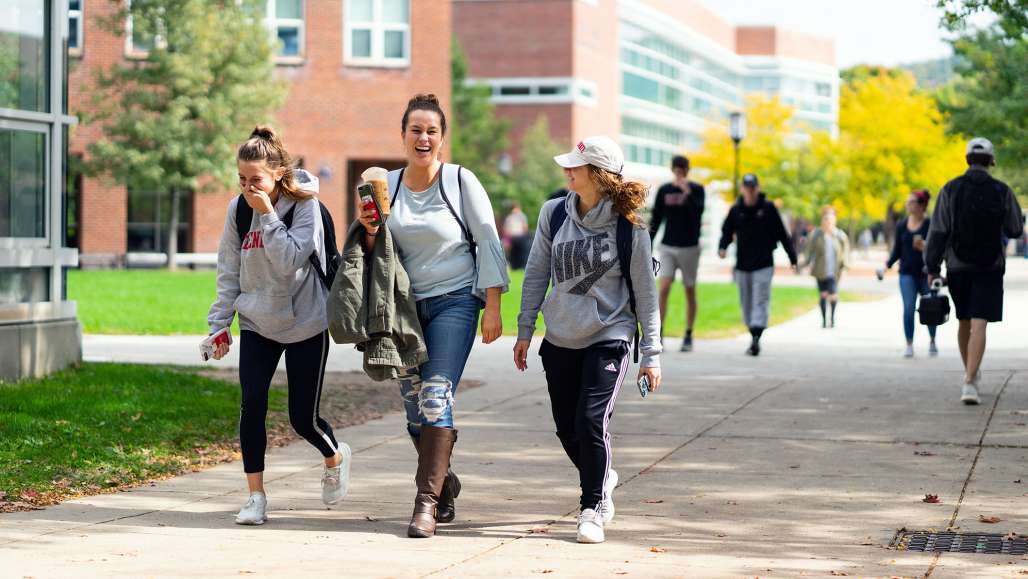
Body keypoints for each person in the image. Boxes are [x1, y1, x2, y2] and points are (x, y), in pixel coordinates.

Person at [356, 94, 509, 538]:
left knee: (435, 397)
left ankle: (424, 504)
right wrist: (368, 229)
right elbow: (372, 250)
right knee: (412, 408)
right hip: (402, 309)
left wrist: (493, 306)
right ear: (402, 135)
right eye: (415, 130)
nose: (423, 138)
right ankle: (444, 484)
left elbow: (487, 240)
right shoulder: (388, 184)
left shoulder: (461, 181)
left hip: (454, 301)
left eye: (432, 131)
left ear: (442, 138)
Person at [514, 136, 661, 545]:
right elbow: (537, 273)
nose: (568, 171)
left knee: (590, 421)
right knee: (567, 429)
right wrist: (525, 329)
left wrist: (652, 354)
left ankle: (591, 508)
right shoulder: (554, 214)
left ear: (596, 175)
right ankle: (604, 475)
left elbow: (646, 294)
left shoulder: (629, 227)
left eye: (576, 166)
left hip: (609, 336)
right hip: (560, 335)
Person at [208, 126, 350, 526]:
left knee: (302, 419)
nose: (248, 187)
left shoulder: (305, 207)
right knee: (251, 404)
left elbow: (289, 259)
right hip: (257, 321)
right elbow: (228, 271)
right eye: (242, 179)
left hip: (306, 321)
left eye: (256, 179)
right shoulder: (237, 210)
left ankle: (335, 457)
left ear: (278, 174)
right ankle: (255, 497)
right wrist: (219, 325)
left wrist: (268, 215)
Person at [925, 138, 1023, 405]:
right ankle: (970, 381)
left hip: (958, 266)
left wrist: (932, 267)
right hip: (990, 268)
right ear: (991, 160)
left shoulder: (950, 189)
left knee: (964, 321)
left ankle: (970, 373)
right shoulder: (1002, 191)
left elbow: (938, 231)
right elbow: (1015, 229)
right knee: (980, 323)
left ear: (967, 159)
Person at [718, 173, 798, 356]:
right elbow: (727, 231)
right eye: (747, 187)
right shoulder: (736, 209)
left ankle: (756, 337)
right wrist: (722, 247)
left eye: (753, 186)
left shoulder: (768, 209)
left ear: (758, 188)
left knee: (760, 300)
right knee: (746, 304)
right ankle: (753, 332)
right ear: (742, 189)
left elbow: (782, 234)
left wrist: (792, 257)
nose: (750, 190)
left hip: (764, 264)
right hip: (743, 265)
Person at [649, 155, 705, 352]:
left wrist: (687, 192)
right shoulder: (665, 190)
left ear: (687, 170)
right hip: (668, 247)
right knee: (663, 287)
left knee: (689, 290)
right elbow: (656, 218)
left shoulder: (697, 190)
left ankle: (688, 334)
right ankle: (660, 332)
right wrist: (648, 243)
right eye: (676, 168)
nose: (679, 172)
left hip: (690, 247)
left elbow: (698, 213)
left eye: (682, 169)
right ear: (673, 169)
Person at [883, 190, 938, 358]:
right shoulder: (901, 225)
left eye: (911, 201)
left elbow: (938, 247)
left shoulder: (931, 224)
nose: (908, 205)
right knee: (908, 308)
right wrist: (886, 266)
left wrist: (926, 246)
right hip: (906, 273)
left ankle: (932, 340)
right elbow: (897, 250)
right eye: (907, 202)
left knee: (930, 307)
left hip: (927, 272)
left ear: (921, 205)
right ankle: (909, 343)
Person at [799, 206, 849, 329]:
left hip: (834, 270)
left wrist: (845, 267)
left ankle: (831, 319)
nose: (828, 222)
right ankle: (824, 320)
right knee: (823, 294)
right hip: (820, 269)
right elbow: (809, 252)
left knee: (833, 295)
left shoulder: (840, 236)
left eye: (830, 220)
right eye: (826, 219)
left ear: (834, 221)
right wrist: (802, 264)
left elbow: (845, 253)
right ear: (822, 221)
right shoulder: (816, 235)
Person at [503, 203, 531, 269]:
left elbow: (525, 227)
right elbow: (506, 229)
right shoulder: (510, 217)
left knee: (521, 253)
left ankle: (521, 266)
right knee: (513, 253)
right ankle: (514, 266)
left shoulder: (521, 216)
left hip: (520, 237)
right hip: (512, 237)